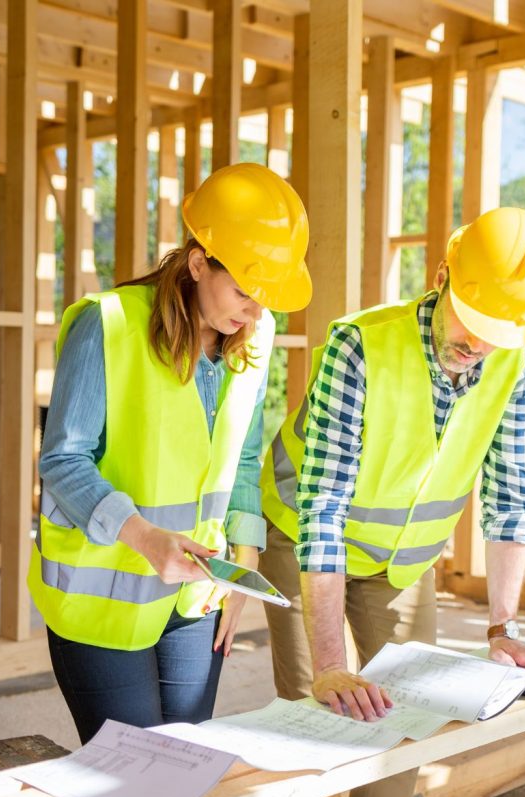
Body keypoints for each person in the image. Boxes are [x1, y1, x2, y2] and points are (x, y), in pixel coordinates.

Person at [259, 207, 525, 797]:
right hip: (305, 537)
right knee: (310, 719)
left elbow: (510, 494)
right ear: (441, 273)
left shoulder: (518, 357)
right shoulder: (360, 345)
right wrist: (329, 667)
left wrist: (502, 629)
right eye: (472, 323)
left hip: (402, 562)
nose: (477, 346)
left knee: (405, 721)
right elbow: (323, 508)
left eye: (496, 334)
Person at [28, 163, 311, 744]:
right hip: (104, 600)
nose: (253, 313)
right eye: (242, 292)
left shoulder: (252, 337)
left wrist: (245, 567)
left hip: (196, 595)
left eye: (266, 299)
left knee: (182, 766)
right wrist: (146, 538)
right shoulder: (107, 326)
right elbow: (61, 462)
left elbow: (243, 462)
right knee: (133, 784)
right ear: (199, 261)